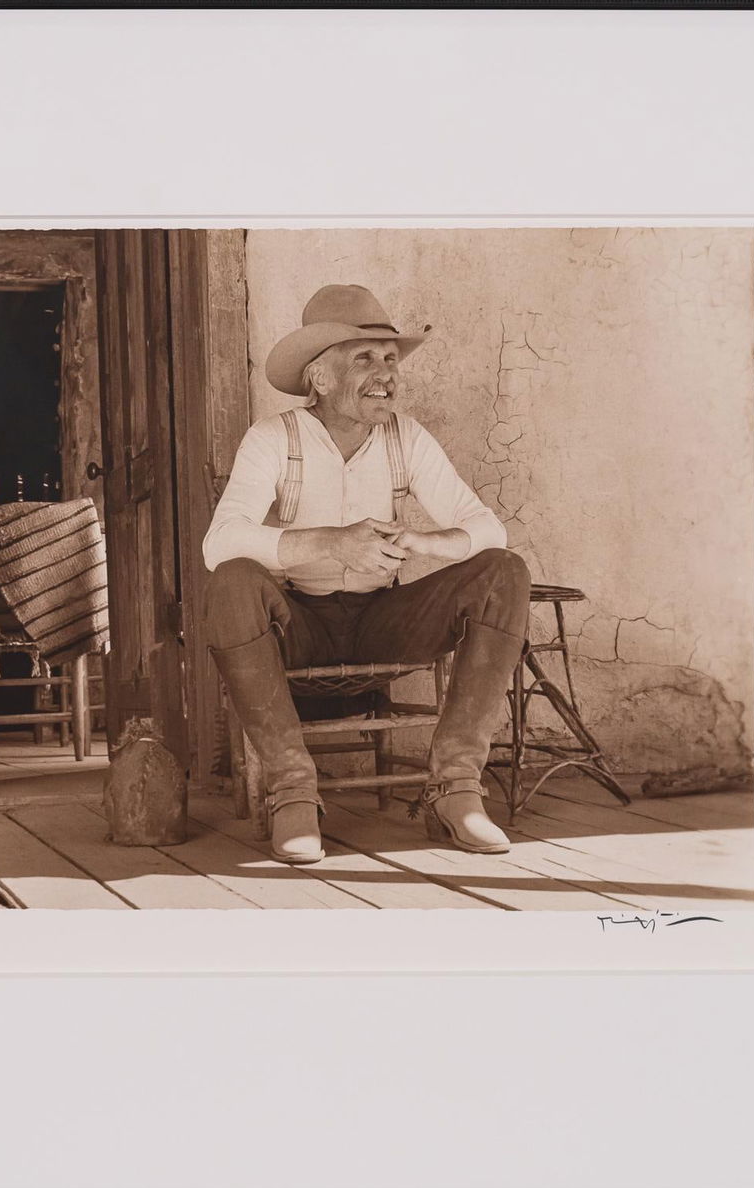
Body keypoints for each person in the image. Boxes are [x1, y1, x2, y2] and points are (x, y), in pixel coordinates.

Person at [203, 285, 531, 864]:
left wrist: (424, 542)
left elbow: (488, 529)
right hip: (300, 623)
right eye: (365, 358)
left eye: (390, 359)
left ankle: (454, 789)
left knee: (504, 572)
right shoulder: (273, 438)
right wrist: (331, 543)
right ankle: (293, 794)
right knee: (231, 580)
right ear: (320, 378)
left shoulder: (407, 437)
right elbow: (219, 542)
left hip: (385, 616)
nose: (386, 374)